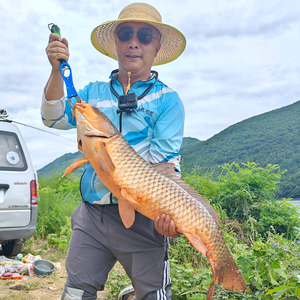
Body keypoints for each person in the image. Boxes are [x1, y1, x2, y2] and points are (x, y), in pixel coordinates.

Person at [42, 2, 186, 300]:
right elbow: (53, 117)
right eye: (125, 33)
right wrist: (57, 71)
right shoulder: (92, 93)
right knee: (75, 292)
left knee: (154, 295)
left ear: (157, 47)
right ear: (116, 42)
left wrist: (172, 217)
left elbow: (166, 167)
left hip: (144, 218)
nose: (134, 42)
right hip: (92, 215)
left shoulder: (168, 101)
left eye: (145, 35)